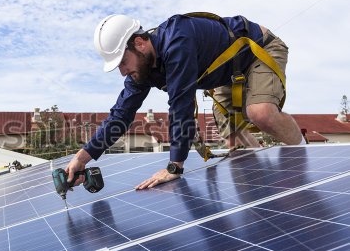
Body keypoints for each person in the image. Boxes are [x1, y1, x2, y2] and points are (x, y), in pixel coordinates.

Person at [65, 13, 304, 190]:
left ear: (139, 43)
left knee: (259, 112)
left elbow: (181, 107)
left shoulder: (177, 40)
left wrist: (174, 166)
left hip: (257, 50)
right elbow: (120, 115)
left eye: (123, 62)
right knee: (233, 138)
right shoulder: (142, 67)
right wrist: (81, 158)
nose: (123, 72)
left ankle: (308, 162)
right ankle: (260, 188)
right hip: (225, 74)